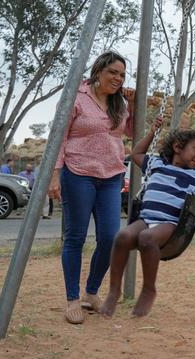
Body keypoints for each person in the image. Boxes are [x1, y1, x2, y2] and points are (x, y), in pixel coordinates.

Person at [100, 126, 195, 318]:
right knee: (122, 236)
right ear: (178, 147)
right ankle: (114, 290)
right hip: (145, 218)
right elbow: (136, 153)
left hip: (169, 225)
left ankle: (148, 289)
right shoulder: (156, 164)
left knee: (147, 239)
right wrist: (152, 131)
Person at [48, 51, 135, 324]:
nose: (118, 79)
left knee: (111, 238)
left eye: (122, 75)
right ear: (98, 72)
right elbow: (59, 136)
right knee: (75, 238)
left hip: (111, 175)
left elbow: (128, 133)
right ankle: (72, 299)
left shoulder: (119, 103)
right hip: (78, 174)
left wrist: (132, 106)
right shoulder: (77, 97)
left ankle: (91, 293)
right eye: (113, 72)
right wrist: (54, 174)